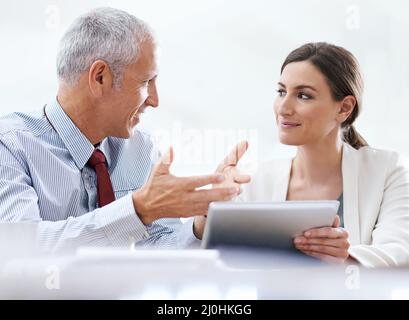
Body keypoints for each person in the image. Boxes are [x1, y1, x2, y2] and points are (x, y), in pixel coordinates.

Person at [0, 7, 250, 252]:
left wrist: (204, 218)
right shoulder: (10, 146)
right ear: (100, 77)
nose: (154, 100)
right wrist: (139, 209)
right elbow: (20, 251)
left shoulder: (141, 148)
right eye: (145, 83)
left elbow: (158, 248)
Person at [196, 42, 409, 267]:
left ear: (344, 108)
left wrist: (344, 258)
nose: (283, 108)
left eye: (304, 96)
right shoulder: (257, 180)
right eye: (281, 92)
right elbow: (207, 243)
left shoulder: (387, 172)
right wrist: (212, 203)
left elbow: (399, 252)